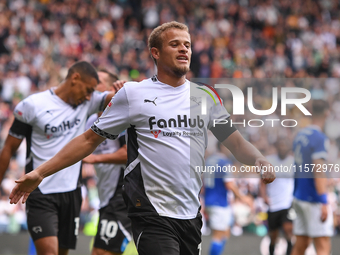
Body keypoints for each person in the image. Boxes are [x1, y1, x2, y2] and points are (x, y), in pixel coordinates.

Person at [9, 21, 275, 255]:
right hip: (149, 210)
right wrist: (40, 172)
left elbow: (236, 142)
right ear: (155, 53)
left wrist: (259, 159)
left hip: (191, 213)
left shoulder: (206, 96)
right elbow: (89, 140)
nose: (184, 49)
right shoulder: (134, 94)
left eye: (187, 45)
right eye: (175, 44)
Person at [0, 61, 116, 255]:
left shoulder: (88, 102)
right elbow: (8, 149)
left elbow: (122, 98)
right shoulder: (32, 106)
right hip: (39, 192)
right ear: (75, 78)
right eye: (87, 90)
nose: (89, 95)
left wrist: (121, 85)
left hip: (72, 193)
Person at [82, 69, 136, 255]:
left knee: (102, 252)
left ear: (110, 88)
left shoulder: (121, 116)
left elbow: (129, 153)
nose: (91, 83)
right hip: (106, 195)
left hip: (122, 193)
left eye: (98, 81)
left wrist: (95, 158)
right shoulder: (90, 120)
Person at [291, 100, 333, 255]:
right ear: (327, 113)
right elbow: (318, 171)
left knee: (301, 245)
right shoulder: (319, 138)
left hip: (299, 196)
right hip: (313, 197)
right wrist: (323, 200)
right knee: (323, 246)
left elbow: (296, 168)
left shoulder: (299, 135)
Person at [203, 142, 253, 255]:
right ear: (222, 146)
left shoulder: (209, 160)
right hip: (219, 202)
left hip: (211, 200)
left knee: (225, 232)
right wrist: (243, 197)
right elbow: (229, 184)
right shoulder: (224, 162)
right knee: (218, 235)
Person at [260, 137, 295, 255]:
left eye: (285, 145)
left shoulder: (294, 162)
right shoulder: (269, 161)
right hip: (273, 203)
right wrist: (264, 195)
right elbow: (262, 181)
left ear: (289, 148)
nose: (282, 148)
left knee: (288, 231)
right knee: (273, 236)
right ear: (277, 147)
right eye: (280, 145)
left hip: (288, 203)